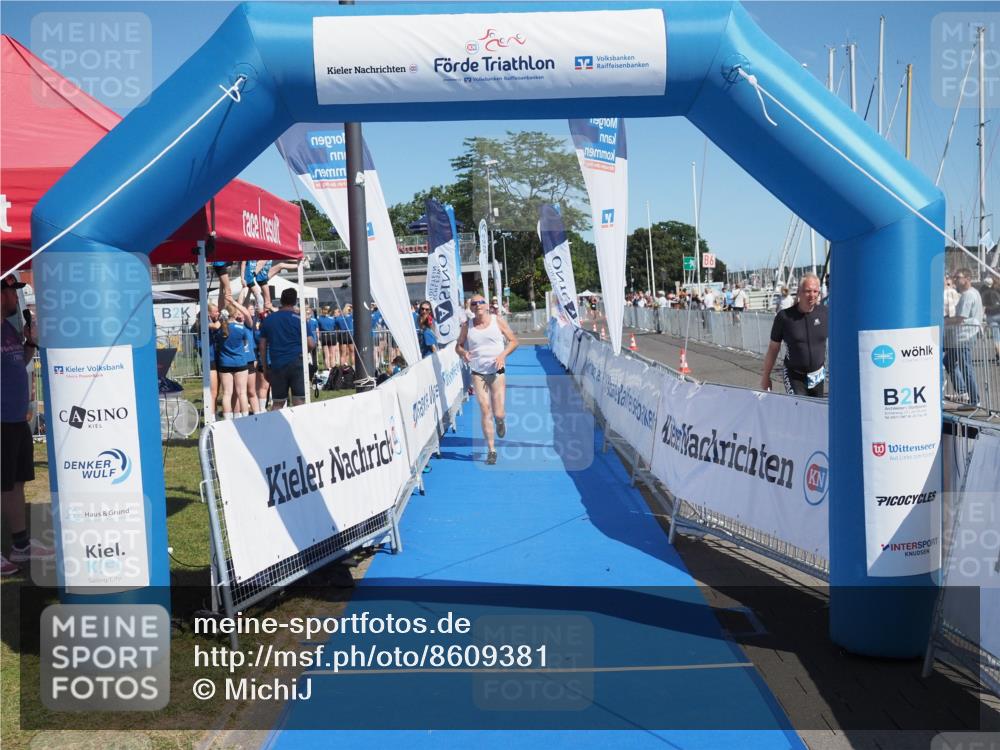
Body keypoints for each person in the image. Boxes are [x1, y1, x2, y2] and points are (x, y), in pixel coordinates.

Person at [1, 275, 53, 575]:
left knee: (15, 484)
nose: (16, 298)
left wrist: (30, 343)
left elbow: (16, 363)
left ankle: (21, 546)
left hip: (16, 419)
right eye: (13, 292)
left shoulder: (7, 328)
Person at [456, 294, 519, 466]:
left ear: (486, 305)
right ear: (471, 308)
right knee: (485, 410)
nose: (477, 306)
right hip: (477, 372)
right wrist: (463, 353)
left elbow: (514, 341)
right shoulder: (467, 326)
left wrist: (502, 355)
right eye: (474, 304)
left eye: (480, 302)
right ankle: (491, 450)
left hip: (497, 372)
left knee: (498, 412)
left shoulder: (497, 321)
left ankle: (500, 421)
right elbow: (458, 346)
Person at [760, 273, 828, 397]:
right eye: (807, 291)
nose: (811, 295)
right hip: (794, 375)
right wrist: (766, 376)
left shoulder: (825, 313)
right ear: (799, 292)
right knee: (799, 408)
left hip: (817, 376)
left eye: (815, 291)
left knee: (815, 413)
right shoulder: (784, 317)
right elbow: (773, 348)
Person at [258, 288, 315, 410]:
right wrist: (304, 353)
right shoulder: (301, 320)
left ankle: (273, 428)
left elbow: (262, 345)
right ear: (295, 301)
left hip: (277, 364)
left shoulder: (269, 319)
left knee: (278, 403)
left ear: (281, 300)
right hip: (297, 363)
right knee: (299, 401)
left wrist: (265, 367)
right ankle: (299, 428)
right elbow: (311, 343)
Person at [945, 268, 983, 407]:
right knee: (948, 361)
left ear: (967, 278)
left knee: (966, 368)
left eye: (958, 277)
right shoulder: (972, 293)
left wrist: (943, 321)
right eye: (954, 277)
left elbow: (960, 319)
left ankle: (974, 400)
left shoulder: (968, 295)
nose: (955, 280)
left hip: (964, 336)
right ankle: (963, 392)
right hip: (962, 336)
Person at [979, 275, 1000, 364]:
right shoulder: (998, 287)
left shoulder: (983, 290)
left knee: (996, 338)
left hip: (990, 315)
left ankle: (999, 356)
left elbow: (982, 304)